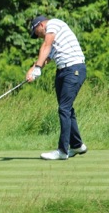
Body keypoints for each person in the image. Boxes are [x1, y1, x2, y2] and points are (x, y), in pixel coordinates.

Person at [26, 15, 87, 160]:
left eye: (37, 33)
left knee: (64, 109)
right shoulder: (55, 39)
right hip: (63, 71)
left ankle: (62, 151)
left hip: (74, 69)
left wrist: (38, 68)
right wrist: (33, 69)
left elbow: (46, 46)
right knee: (67, 108)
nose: (39, 37)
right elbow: (47, 56)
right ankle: (77, 145)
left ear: (40, 25)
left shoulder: (53, 24)